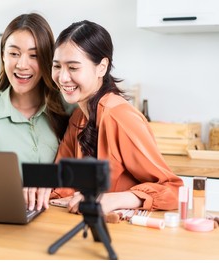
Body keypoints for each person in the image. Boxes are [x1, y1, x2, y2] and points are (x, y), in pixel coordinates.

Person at [50, 20, 183, 215]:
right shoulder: (79, 116)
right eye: (57, 66)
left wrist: (116, 198)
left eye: (73, 67)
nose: (62, 77)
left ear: (101, 67)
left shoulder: (118, 116)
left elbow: (174, 190)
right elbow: (62, 183)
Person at [0, 13, 69, 211]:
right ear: (3, 55)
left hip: (57, 221)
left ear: (47, 60)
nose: (22, 64)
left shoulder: (68, 109)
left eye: (34, 55)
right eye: (14, 53)